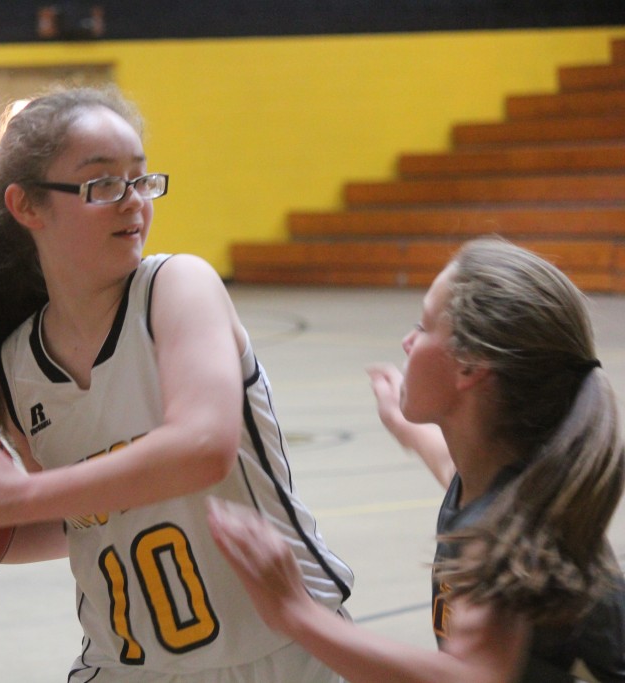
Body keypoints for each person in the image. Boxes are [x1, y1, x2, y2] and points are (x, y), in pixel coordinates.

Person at [0, 84, 353, 682]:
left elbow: (202, 448)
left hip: (283, 655)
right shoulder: (15, 364)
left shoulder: (178, 288)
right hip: (127, 666)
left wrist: (17, 498)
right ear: (28, 206)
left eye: (140, 179)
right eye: (102, 183)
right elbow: (78, 515)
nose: (132, 201)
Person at [207, 237, 625, 682]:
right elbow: (448, 465)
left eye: (423, 326)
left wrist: (295, 612)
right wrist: (407, 425)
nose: (408, 341)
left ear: (470, 365)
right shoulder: (500, 477)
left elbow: (472, 677)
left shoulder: (504, 533)